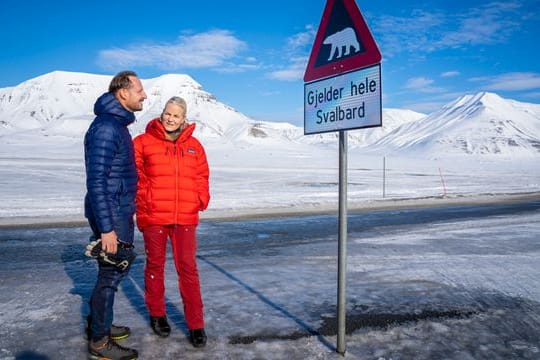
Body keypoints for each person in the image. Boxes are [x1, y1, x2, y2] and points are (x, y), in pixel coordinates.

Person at [133, 96, 210, 348]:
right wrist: (144, 200)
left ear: (183, 118)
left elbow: (202, 175)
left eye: (176, 115)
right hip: (155, 215)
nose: (170, 118)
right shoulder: (143, 142)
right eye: (168, 113)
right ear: (162, 113)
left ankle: (196, 324)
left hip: (185, 217)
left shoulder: (195, 146)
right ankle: (157, 314)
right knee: (154, 266)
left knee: (188, 269)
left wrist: (200, 198)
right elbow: (135, 175)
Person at [84, 70, 147, 359]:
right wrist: (108, 229)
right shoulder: (108, 127)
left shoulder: (116, 124)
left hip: (118, 209)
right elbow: (96, 180)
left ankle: (101, 324)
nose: (144, 95)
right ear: (123, 92)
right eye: (139, 90)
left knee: (111, 269)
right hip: (112, 213)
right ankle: (99, 342)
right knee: (111, 272)